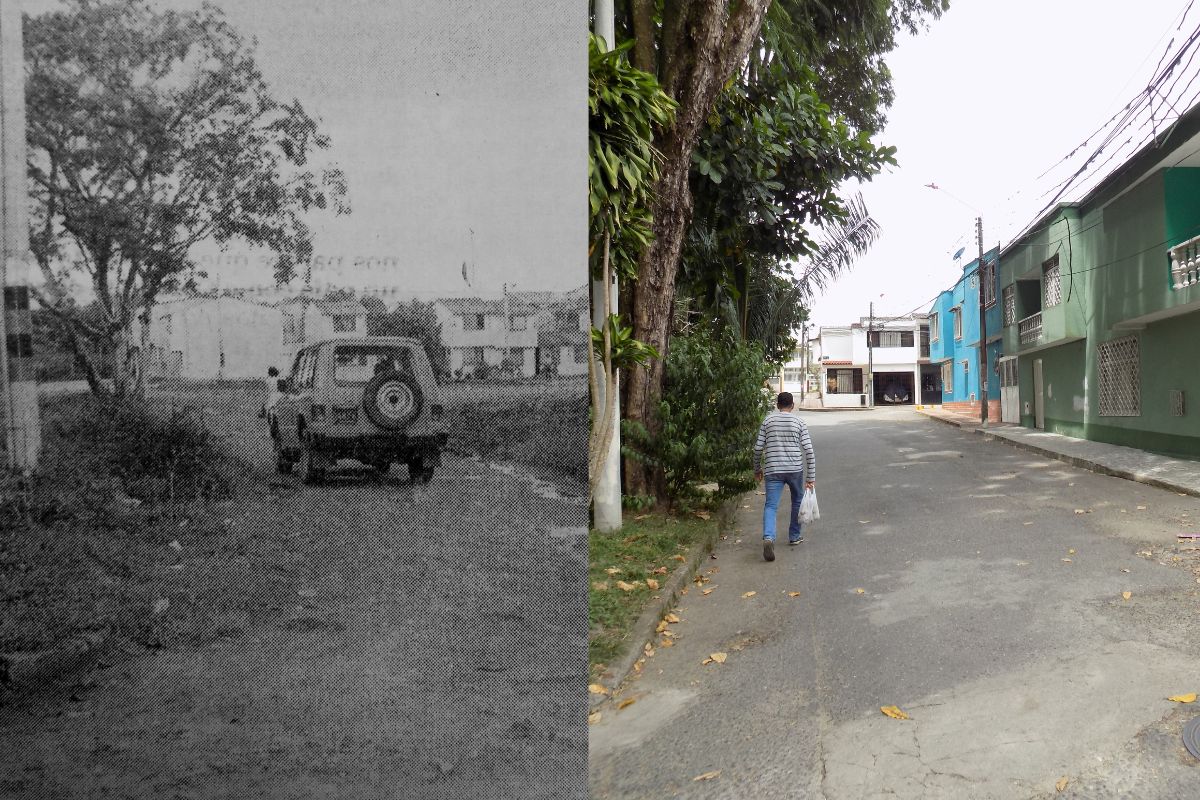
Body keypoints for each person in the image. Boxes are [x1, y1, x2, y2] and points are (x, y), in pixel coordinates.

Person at [752, 391, 816, 562]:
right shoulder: (799, 421)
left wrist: (757, 468)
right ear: (792, 406)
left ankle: (768, 537)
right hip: (795, 469)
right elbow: (809, 451)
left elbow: (758, 448)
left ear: (777, 405)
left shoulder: (768, 420)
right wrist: (811, 477)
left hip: (773, 469)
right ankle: (794, 536)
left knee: (771, 505)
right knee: (797, 501)